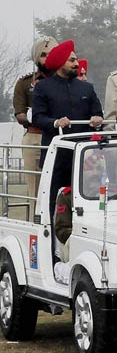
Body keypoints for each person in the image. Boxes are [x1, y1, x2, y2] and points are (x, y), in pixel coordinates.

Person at [31, 39, 103, 217]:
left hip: (85, 157)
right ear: (60, 63)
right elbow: (38, 117)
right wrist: (56, 122)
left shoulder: (87, 87)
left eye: (76, 59)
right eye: (71, 60)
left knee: (87, 200)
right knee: (55, 200)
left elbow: (98, 113)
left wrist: (97, 120)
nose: (76, 64)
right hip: (56, 156)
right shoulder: (43, 88)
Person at [12, 36, 58, 220]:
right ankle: (35, 223)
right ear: (36, 58)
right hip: (34, 137)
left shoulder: (64, 82)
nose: (47, 59)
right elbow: (19, 113)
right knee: (35, 188)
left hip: (57, 137)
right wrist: (35, 117)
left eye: (51, 54)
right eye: (43, 55)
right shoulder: (24, 83)